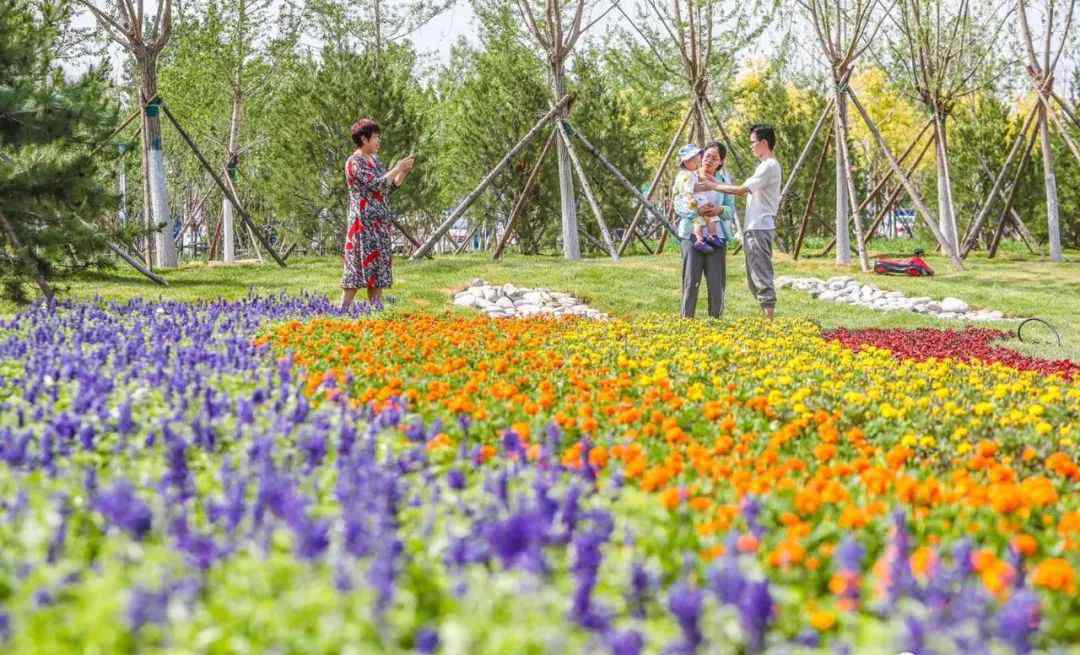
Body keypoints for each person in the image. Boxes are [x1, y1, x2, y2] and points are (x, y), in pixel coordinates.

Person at [341, 118, 415, 310]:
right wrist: (396, 168)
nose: (378, 141)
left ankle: (376, 313)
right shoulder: (354, 162)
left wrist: (403, 172)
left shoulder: (375, 161)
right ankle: (341, 311)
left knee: (377, 271)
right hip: (362, 225)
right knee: (356, 270)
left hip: (379, 224)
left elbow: (387, 187)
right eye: (376, 137)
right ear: (364, 139)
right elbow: (374, 184)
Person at [709, 124, 781, 318]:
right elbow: (745, 192)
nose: (751, 147)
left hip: (759, 228)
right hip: (754, 228)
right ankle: (766, 318)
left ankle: (769, 323)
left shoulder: (769, 166)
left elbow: (741, 190)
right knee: (753, 278)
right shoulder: (764, 166)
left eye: (753, 142)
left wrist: (713, 185)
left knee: (760, 275)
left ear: (764, 143)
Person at [672, 144, 727, 318]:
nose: (708, 160)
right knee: (691, 281)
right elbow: (678, 205)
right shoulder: (688, 177)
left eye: (714, 158)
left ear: (720, 162)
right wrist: (698, 210)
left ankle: (716, 322)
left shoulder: (724, 182)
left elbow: (730, 210)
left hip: (717, 236)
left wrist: (720, 210)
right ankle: (686, 321)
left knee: (716, 284)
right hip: (691, 236)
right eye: (706, 156)